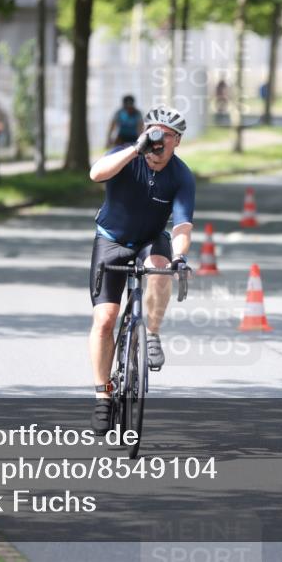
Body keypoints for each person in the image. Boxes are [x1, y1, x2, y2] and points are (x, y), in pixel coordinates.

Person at [87, 106, 195, 433]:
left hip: (151, 239)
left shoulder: (181, 176)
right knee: (105, 320)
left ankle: (153, 334)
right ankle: (103, 396)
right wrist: (136, 149)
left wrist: (180, 258)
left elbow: (182, 226)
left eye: (166, 135)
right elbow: (96, 174)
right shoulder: (126, 155)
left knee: (161, 267)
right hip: (112, 240)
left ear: (177, 141)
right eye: (153, 132)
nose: (158, 140)